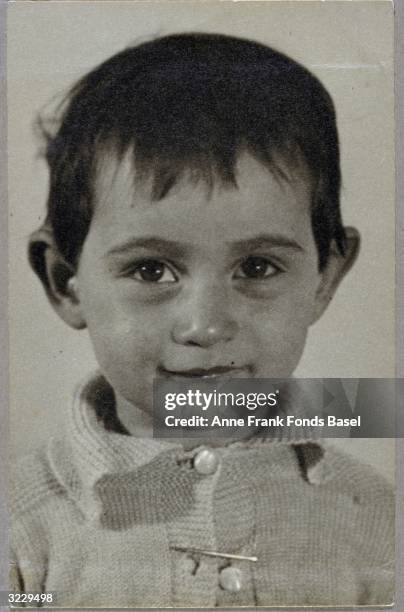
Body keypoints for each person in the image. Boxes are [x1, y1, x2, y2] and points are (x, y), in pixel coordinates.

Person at [10, 33, 394, 607]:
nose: (207, 326)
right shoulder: (19, 530)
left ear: (324, 278)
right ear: (67, 282)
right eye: (150, 271)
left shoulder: (379, 519)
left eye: (257, 267)